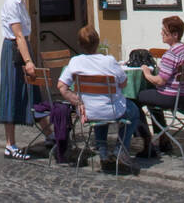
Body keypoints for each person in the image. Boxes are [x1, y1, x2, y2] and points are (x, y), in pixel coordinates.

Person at [57, 26, 141, 174]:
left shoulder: (75, 62)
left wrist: (77, 101)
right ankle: (120, 149)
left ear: (80, 44)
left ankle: (102, 151)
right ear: (98, 43)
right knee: (133, 110)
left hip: (88, 111)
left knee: (98, 107)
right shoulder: (109, 61)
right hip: (111, 110)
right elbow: (123, 83)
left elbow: (61, 86)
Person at [0, 0, 51, 159]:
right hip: (14, 50)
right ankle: (10, 145)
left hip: (21, 47)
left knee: (33, 93)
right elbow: (18, 35)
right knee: (12, 95)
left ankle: (50, 135)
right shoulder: (12, 3)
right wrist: (28, 61)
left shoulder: (19, 2)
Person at [135, 15, 184, 157]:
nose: (161, 33)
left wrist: (146, 73)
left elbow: (161, 81)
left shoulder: (171, 54)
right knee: (151, 98)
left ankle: (146, 143)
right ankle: (163, 139)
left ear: (174, 35)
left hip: (173, 98)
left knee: (135, 98)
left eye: (165, 32)